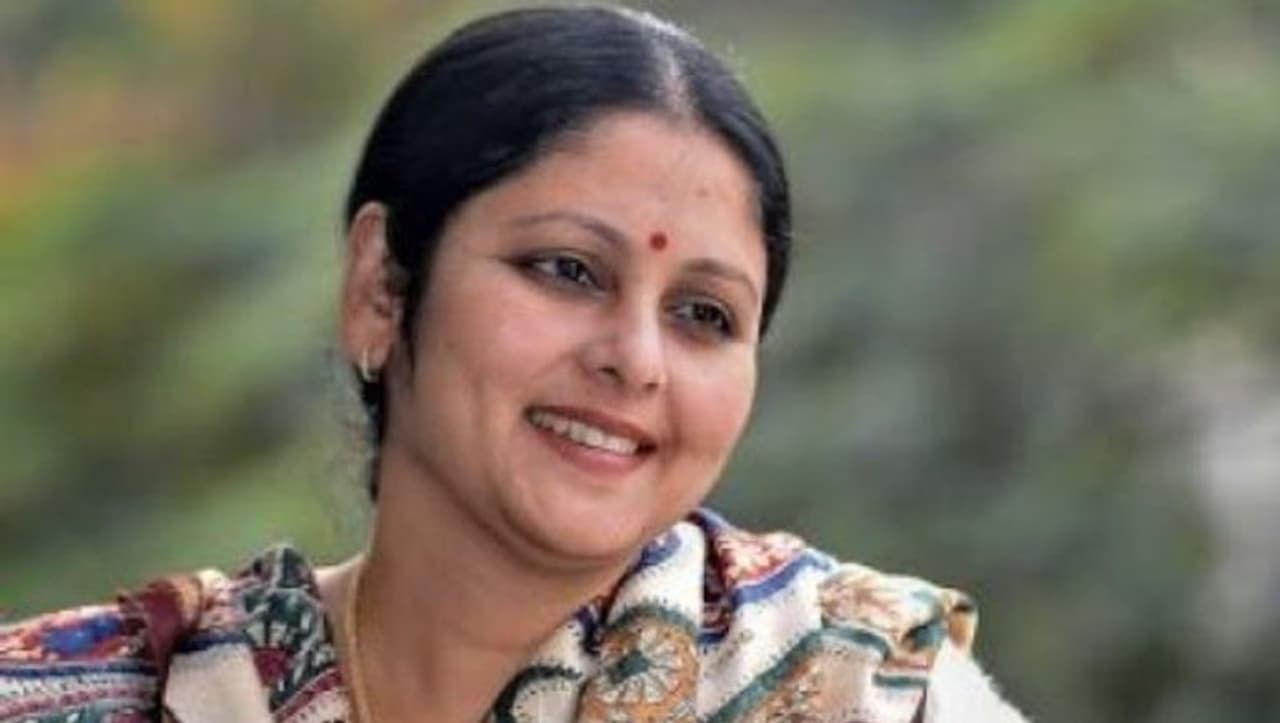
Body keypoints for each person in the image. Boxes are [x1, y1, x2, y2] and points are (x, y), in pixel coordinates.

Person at [0, 6, 1028, 722]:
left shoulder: (864, 695)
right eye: (566, 269)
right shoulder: (90, 703)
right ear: (381, 287)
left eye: (703, 315)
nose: (635, 359)